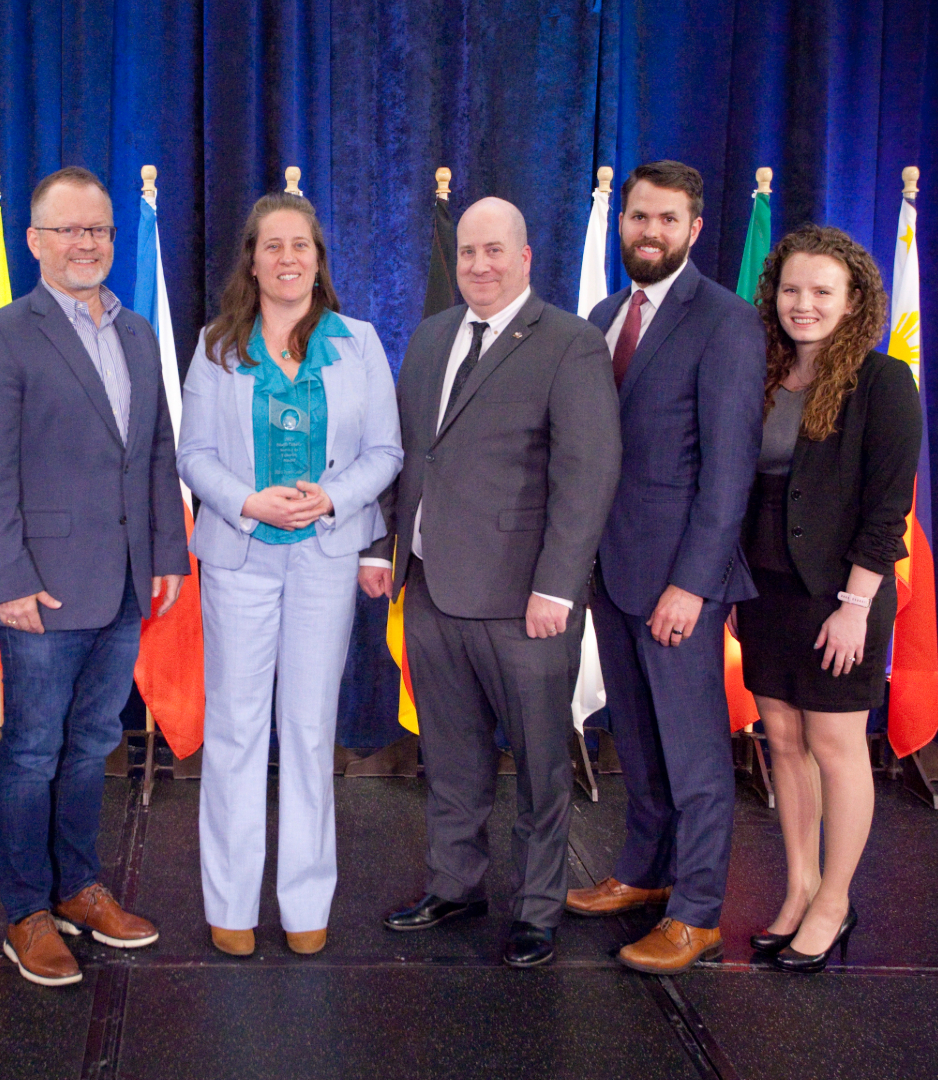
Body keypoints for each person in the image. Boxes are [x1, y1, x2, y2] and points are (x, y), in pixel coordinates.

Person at [361, 198, 621, 968]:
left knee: (541, 762)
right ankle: (456, 883)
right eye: (468, 251)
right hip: (431, 588)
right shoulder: (433, 334)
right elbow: (404, 452)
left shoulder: (570, 344)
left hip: (525, 602)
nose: (477, 264)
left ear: (526, 256)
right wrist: (383, 549)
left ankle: (538, 908)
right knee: (450, 755)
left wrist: (559, 588)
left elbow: (587, 474)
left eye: (493, 251)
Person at [0, 166, 188, 987]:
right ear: (34, 242)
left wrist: (167, 555)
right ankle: (26, 912)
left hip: (126, 581)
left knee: (93, 743)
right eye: (68, 230)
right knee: (30, 751)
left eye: (98, 230)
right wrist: (8, 577)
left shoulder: (135, 333)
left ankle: (78, 887)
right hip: (42, 586)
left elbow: (156, 451)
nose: (85, 243)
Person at [178, 192, 403, 958]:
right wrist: (249, 501)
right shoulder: (216, 345)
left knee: (308, 732)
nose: (287, 259)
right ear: (252, 259)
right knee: (236, 731)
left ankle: (307, 900)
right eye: (272, 246)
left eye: (300, 245)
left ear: (318, 258)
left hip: (325, 559)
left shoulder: (360, 342)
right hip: (240, 558)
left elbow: (386, 452)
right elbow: (193, 455)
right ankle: (231, 903)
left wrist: (331, 498)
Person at [566, 160, 766, 975]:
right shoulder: (607, 313)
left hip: (681, 580)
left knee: (692, 753)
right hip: (612, 572)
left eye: (666, 219)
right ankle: (646, 875)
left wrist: (692, 583)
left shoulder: (726, 321)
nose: (648, 231)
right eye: (637, 217)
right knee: (640, 743)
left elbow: (728, 471)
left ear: (695, 229)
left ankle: (697, 912)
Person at [739, 225, 918, 973]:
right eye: (791, 290)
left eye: (821, 292)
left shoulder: (882, 382)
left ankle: (836, 900)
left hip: (841, 593)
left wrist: (854, 602)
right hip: (765, 588)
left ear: (852, 303)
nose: (803, 304)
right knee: (782, 742)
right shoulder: (760, 373)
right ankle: (800, 885)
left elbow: (886, 509)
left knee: (836, 747)